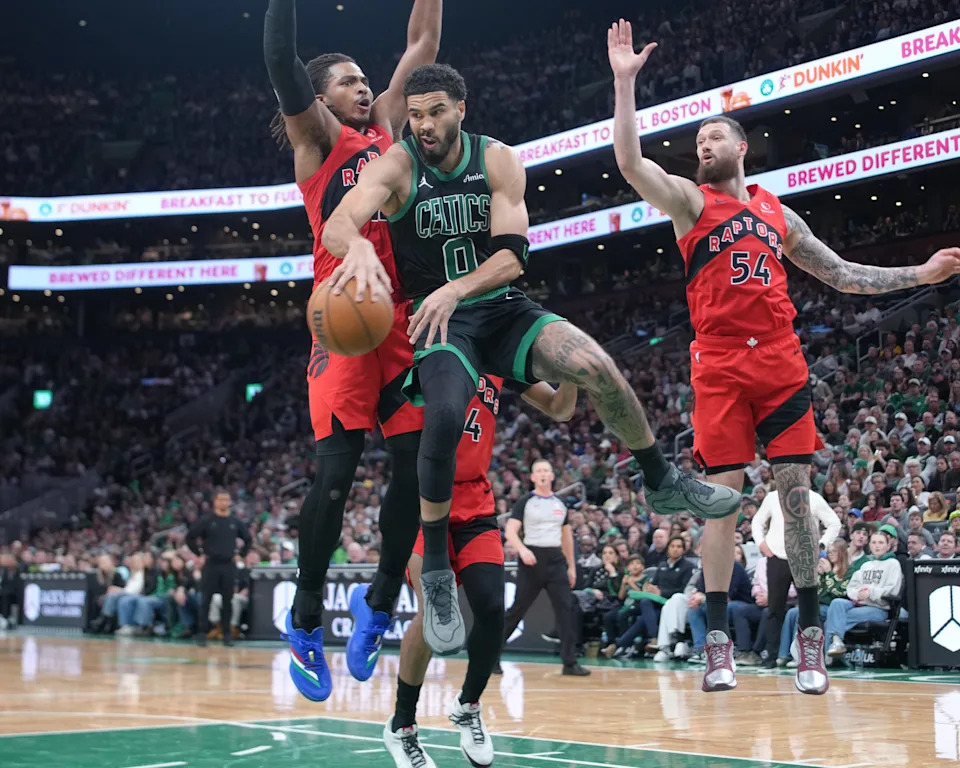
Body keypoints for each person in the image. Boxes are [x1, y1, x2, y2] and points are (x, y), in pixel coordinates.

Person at [320, 62, 741, 657]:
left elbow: (513, 258)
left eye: (435, 112)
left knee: (596, 366)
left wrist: (456, 286)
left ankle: (660, 478)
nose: (423, 126)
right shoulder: (398, 163)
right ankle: (436, 566)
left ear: (461, 109)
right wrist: (359, 247)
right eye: (414, 116)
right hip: (442, 323)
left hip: (497, 304)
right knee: (440, 417)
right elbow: (338, 222)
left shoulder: (497, 160)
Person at [607, 17, 960, 695]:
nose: (702, 146)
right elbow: (630, 164)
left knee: (795, 499)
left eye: (713, 138)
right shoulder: (689, 202)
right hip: (717, 364)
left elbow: (843, 274)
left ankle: (808, 638)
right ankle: (716, 645)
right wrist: (626, 87)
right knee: (720, 503)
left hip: (779, 361)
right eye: (697, 141)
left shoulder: (778, 214)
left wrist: (919, 275)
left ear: (742, 146)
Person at [263, 0, 442, 702]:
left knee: (414, 465)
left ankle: (377, 604)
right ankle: (306, 616)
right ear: (321, 94)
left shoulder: (392, 130)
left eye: (366, 80)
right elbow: (280, 61)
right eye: (348, 81)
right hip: (340, 313)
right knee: (334, 477)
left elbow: (423, 39)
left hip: (399, 319)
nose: (364, 87)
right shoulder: (317, 138)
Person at [384, 376, 576, 768]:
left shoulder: (494, 352)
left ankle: (468, 706)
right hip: (422, 506)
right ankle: (402, 727)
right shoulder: (419, 352)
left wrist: (573, 370)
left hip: (475, 505)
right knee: (432, 617)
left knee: (491, 607)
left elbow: (559, 407)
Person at [496, 459, 591, 676]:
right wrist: (522, 550)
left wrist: (571, 567)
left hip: (556, 559)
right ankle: (492, 656)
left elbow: (567, 537)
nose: (542, 474)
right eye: (538, 470)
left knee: (566, 608)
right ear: (532, 477)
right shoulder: (525, 501)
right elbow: (510, 531)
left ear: (552, 476)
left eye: (546, 470)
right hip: (532, 559)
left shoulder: (560, 503)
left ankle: (569, 662)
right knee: (517, 609)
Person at [751, 489, 841, 667]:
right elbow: (757, 521)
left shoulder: (813, 498)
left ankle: (811, 656)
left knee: (809, 610)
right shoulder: (773, 497)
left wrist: (821, 544)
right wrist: (761, 543)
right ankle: (771, 656)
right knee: (774, 609)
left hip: (804, 558)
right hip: (777, 557)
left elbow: (834, 523)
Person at [185, 490, 251, 647]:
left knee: (228, 600)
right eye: (221, 499)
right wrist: (199, 553)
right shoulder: (207, 520)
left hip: (228, 564)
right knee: (206, 599)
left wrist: (241, 554)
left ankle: (227, 634)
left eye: (227, 500)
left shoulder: (234, 521)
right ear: (215, 501)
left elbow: (248, 539)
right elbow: (190, 537)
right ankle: (202, 633)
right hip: (211, 564)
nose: (224, 503)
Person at [825, 533, 904, 658]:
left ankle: (827, 655)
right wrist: (858, 594)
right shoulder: (866, 565)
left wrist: (870, 592)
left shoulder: (893, 564)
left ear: (888, 545)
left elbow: (893, 590)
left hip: (879, 609)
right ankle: (836, 643)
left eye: (881, 543)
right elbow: (851, 588)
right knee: (837, 604)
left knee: (834, 618)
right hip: (860, 604)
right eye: (874, 542)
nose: (877, 546)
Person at [779, 540, 850, 667]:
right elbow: (818, 593)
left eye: (834, 551)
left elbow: (839, 592)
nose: (831, 554)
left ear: (842, 552)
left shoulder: (848, 571)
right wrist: (818, 576)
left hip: (833, 608)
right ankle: (784, 654)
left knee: (803, 613)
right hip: (819, 605)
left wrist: (828, 573)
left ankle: (801, 655)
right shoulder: (823, 568)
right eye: (829, 552)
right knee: (792, 612)